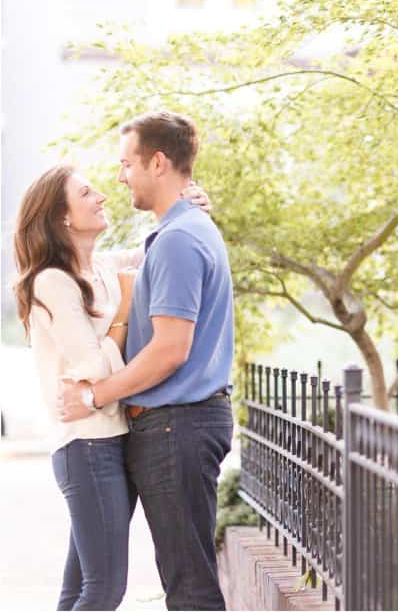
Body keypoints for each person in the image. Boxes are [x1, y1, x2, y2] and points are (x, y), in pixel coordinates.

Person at [58, 111, 236, 611]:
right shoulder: (175, 233)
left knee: (190, 590)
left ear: (158, 162)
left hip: (175, 427)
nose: (120, 177)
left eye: (126, 164)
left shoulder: (180, 238)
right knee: (155, 579)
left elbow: (169, 350)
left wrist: (95, 395)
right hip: (167, 427)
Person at [12, 164, 210, 610]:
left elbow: (151, 251)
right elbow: (90, 367)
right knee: (103, 590)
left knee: (79, 589)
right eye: (87, 193)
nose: (102, 197)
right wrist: (122, 315)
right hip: (86, 446)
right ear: (62, 216)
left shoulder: (100, 264)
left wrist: (186, 207)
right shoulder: (53, 281)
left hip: (108, 440)